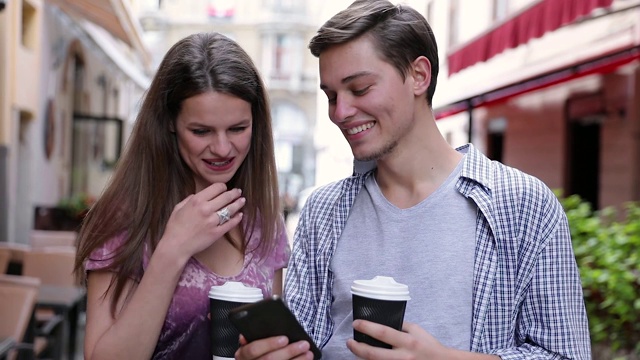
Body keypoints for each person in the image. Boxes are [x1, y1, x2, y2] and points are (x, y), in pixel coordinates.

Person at [235, 0, 591, 359]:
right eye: (331, 96)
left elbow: (566, 354)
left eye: (359, 89)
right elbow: (302, 345)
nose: (340, 112)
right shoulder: (322, 211)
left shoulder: (523, 205)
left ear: (419, 75)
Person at [73, 32, 290, 360]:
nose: (221, 148)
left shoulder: (263, 219)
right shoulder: (125, 216)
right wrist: (172, 250)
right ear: (170, 123)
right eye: (201, 131)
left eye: (237, 129)